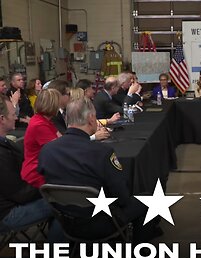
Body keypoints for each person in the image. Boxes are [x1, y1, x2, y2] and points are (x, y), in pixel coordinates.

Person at [38, 99, 162, 243]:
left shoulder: (47, 150)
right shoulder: (102, 152)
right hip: (102, 222)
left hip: (66, 221)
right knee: (148, 199)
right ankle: (141, 256)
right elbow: (122, 197)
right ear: (91, 119)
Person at [0, 94, 61, 242]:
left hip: (11, 202)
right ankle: (54, 257)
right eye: (13, 114)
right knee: (66, 204)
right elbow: (20, 194)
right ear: (2, 119)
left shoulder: (5, 144)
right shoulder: (1, 153)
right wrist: (50, 187)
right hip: (7, 214)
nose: (16, 118)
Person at [21, 89, 61, 188]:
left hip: (44, 168)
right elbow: (60, 148)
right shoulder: (39, 125)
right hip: (37, 174)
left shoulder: (43, 120)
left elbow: (62, 140)